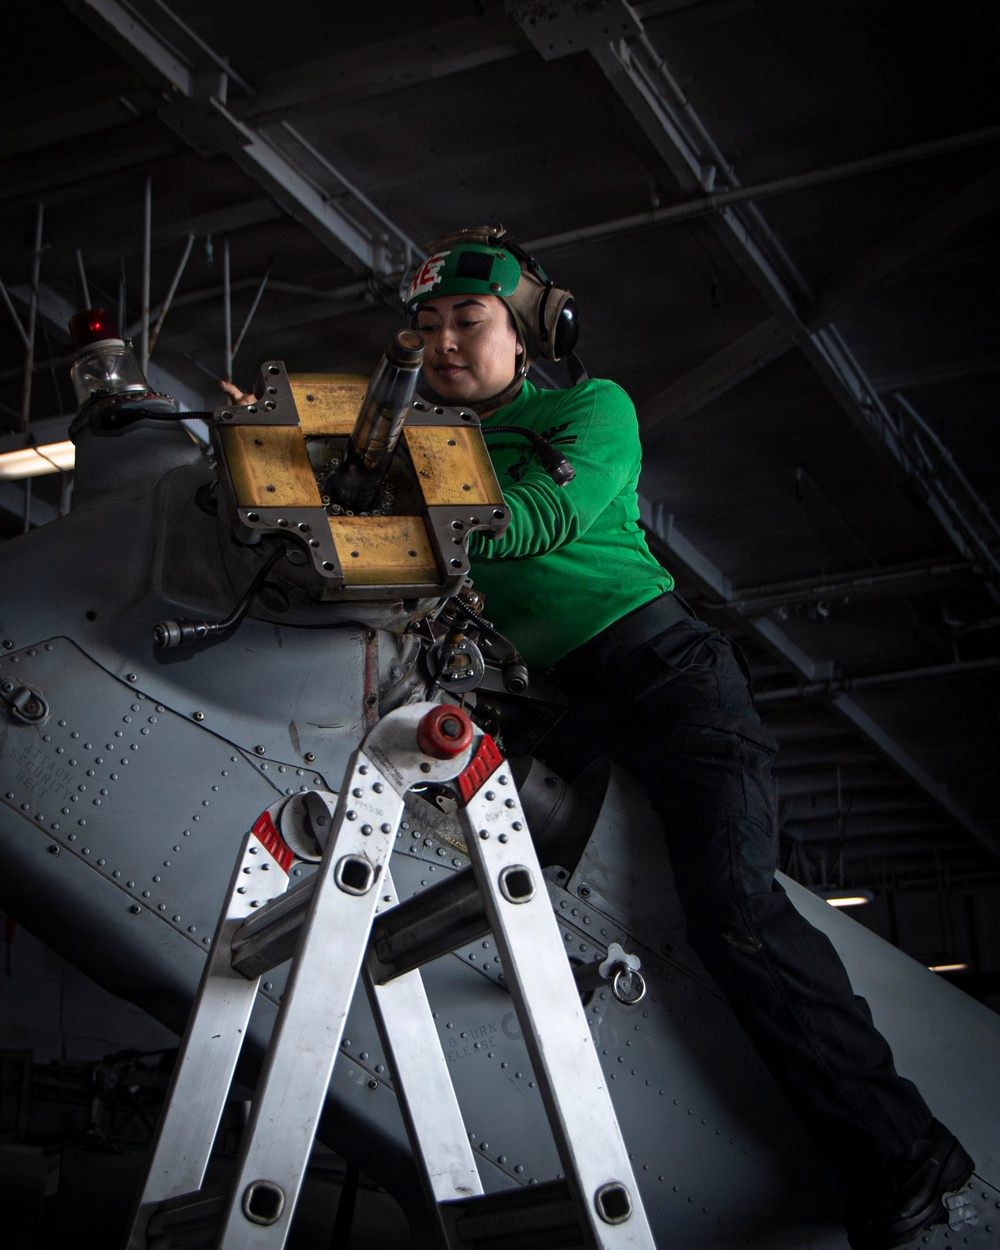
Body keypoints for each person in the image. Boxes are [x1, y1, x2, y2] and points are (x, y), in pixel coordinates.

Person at [402, 225, 975, 1250]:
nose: (445, 342)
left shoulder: (590, 408)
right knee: (532, 897)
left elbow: (544, 513)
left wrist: (410, 507)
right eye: (430, 325)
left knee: (734, 911)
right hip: (567, 703)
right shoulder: (426, 447)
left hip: (671, 679)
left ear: (526, 334)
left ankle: (906, 1151)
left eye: (469, 321)